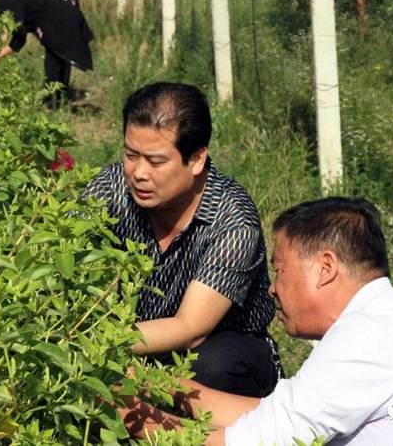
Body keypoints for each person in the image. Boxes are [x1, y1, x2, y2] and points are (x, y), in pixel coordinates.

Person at [118, 197, 393, 445]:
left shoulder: (366, 339)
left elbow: (243, 443)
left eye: (281, 271)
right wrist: (161, 383)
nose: (273, 289)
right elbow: (277, 416)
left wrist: (124, 409)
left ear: (325, 268)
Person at [83, 82, 282, 397]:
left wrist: (89, 341)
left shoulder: (232, 221)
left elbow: (190, 328)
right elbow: (56, 246)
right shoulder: (113, 186)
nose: (138, 173)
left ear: (197, 159)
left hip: (224, 352)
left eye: (156, 161)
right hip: (140, 340)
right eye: (131, 155)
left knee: (210, 366)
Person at [0, 0, 93, 107]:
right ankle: (59, 99)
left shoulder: (13, 8)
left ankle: (53, 103)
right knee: (59, 57)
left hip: (61, 20)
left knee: (54, 60)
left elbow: (19, 40)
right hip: (64, 14)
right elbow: (7, 30)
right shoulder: (8, 1)